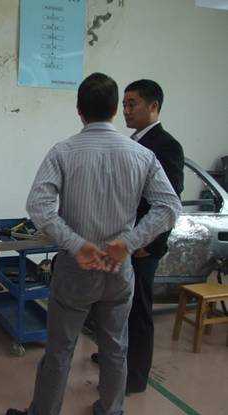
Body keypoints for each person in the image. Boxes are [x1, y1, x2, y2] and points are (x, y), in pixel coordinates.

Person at [6, 73, 181, 415]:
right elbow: (169, 207)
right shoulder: (142, 155)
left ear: (79, 110)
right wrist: (127, 243)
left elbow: (38, 207)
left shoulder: (63, 152)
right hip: (119, 268)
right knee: (115, 346)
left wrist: (76, 244)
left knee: (60, 349)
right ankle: (111, 409)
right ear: (115, 109)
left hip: (76, 269)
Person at [90, 80, 184, 394]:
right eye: (125, 104)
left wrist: (148, 244)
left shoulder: (166, 146)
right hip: (123, 241)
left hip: (143, 246)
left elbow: (169, 202)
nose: (126, 111)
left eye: (133, 104)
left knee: (139, 310)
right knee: (116, 305)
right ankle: (114, 357)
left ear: (153, 106)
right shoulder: (132, 142)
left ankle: (135, 377)